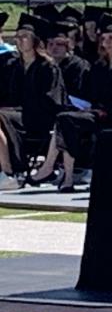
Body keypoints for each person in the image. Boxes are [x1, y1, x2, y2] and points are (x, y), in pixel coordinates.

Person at [31, 14, 112, 192]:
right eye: (103, 39)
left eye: (111, 38)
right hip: (95, 113)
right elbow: (92, 94)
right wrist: (94, 107)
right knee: (64, 119)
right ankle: (66, 176)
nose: (106, 42)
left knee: (65, 120)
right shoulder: (99, 67)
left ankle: (56, 171)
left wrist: (107, 110)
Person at [0, 15, 67, 190]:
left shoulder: (48, 67)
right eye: (17, 36)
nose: (20, 41)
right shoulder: (13, 65)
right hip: (15, 114)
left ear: (35, 40)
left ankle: (10, 172)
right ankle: (7, 171)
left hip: (39, 118)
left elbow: (51, 100)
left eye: (24, 36)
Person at [45, 21, 90, 99]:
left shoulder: (79, 65)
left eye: (59, 44)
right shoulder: (45, 65)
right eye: (50, 44)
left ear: (67, 46)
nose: (54, 48)